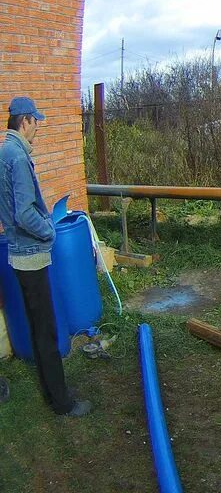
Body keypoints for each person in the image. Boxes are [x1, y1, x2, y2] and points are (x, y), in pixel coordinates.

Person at [0, 97, 89, 416]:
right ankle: (62, 402)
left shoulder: (4, 152)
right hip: (30, 256)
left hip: (17, 254)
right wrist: (49, 231)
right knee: (47, 330)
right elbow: (24, 213)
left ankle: (53, 392)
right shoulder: (18, 157)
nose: (37, 128)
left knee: (39, 328)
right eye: (35, 122)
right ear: (25, 122)